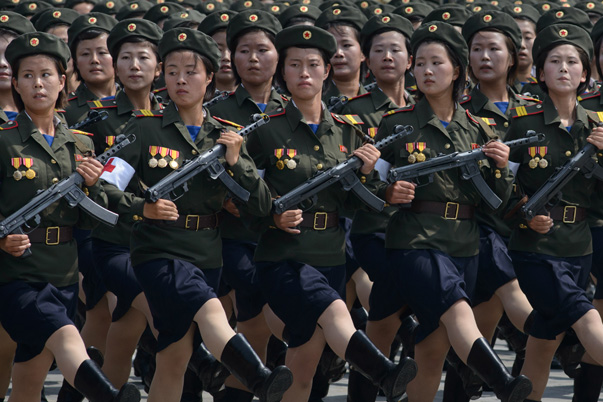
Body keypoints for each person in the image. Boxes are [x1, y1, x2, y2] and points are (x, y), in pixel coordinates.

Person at [99, 27, 292, 402]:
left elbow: (262, 205)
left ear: (210, 76)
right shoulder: (143, 129)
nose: (181, 80)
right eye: (172, 71)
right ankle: (257, 377)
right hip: (159, 251)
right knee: (208, 308)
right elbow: (105, 190)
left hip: (207, 252)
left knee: (174, 356)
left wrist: (239, 163)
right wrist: (143, 208)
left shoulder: (227, 136)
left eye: (191, 71)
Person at [245, 24, 417, 402]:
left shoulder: (347, 133)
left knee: (302, 370)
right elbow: (241, 199)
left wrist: (375, 179)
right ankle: (383, 372)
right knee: (337, 311)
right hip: (284, 257)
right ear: (283, 73)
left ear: (327, 70)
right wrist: (270, 217)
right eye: (294, 65)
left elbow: (360, 201)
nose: (304, 73)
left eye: (312, 64)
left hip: (330, 255)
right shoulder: (263, 134)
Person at [375, 21, 532, 402]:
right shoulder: (396, 125)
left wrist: (500, 167)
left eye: (437, 63)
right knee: (459, 310)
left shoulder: (479, 129)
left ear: (457, 70)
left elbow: (498, 200)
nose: (427, 71)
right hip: (416, 240)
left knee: (432, 350)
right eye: (421, 63)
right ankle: (501, 382)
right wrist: (388, 191)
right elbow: (369, 188)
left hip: (464, 244)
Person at [0, 31, 140, 402]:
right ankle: (107, 395)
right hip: (15, 274)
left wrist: (93, 187)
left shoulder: (81, 142)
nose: (38, 84)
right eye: (27, 76)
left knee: (28, 380)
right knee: (65, 334)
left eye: (46, 75)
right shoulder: (3, 140)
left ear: (63, 81)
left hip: (61, 270)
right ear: (15, 83)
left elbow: (89, 220)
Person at [439, 11, 538, 401]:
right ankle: (561, 338)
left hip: (525, 228)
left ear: (512, 56)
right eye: (475, 48)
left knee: (480, 331)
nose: (484, 56)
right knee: (487, 318)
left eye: (493, 48)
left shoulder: (533, 108)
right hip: (476, 230)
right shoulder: (455, 109)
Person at [506, 23, 603, 402]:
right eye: (554, 61)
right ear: (540, 72)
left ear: (585, 74)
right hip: (535, 250)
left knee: (544, 342)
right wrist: (523, 213)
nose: (563, 68)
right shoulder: (522, 125)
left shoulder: (596, 128)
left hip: (579, 247)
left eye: (572, 62)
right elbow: (500, 190)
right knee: (586, 315)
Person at [207, 9, 288, 401]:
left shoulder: (293, 108)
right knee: (254, 311)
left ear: (278, 54)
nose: (253, 58)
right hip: (234, 233)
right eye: (243, 50)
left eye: (262, 49)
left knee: (258, 328)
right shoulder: (216, 112)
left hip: (285, 229)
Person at [339, 13, 416, 402]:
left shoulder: (424, 109)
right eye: (379, 50)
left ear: (410, 59)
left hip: (417, 226)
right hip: (369, 227)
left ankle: (376, 380)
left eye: (396, 50)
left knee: (385, 314)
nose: (388, 57)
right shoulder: (350, 110)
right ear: (367, 61)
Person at [315, 4, 367, 111]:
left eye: (346, 45)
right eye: (332, 46)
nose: (338, 53)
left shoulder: (376, 105)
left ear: (363, 52)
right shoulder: (314, 103)